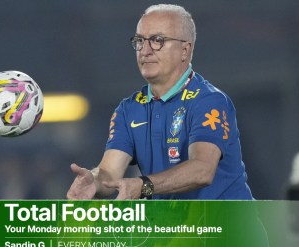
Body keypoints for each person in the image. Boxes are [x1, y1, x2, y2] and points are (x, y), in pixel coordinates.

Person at [67, 4, 253, 200]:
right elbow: (109, 174)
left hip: (227, 229)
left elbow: (202, 170)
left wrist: (143, 185)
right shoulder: (128, 110)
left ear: (184, 50)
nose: (145, 50)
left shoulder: (208, 101)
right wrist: (94, 181)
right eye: (139, 41)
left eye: (158, 40)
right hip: (174, 229)